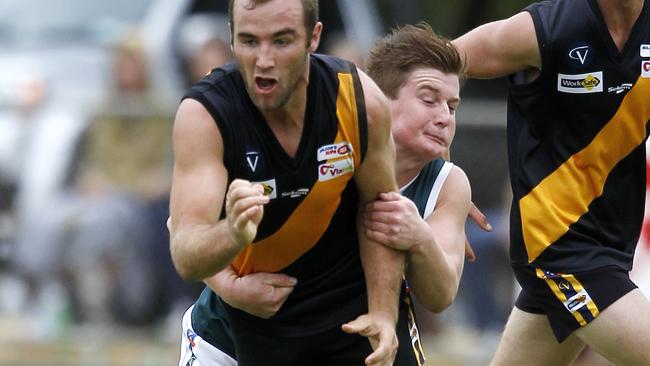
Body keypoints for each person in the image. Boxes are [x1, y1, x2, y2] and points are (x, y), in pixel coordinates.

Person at [176, 21, 472, 366]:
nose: (443, 118)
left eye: (451, 107)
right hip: (224, 333)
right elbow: (181, 230)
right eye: (428, 100)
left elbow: (440, 295)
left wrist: (419, 237)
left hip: (338, 333)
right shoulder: (324, 141)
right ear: (378, 96)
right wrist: (231, 288)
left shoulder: (447, 182)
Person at [453, 0, 650, 364]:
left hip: (610, 248)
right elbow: (439, 62)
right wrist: (439, 177)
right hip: (560, 251)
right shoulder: (545, 27)